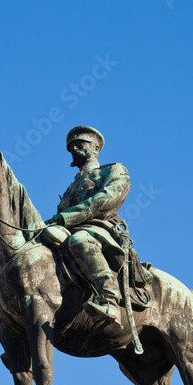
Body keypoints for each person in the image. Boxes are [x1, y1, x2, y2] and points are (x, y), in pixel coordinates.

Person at [44, 125, 130, 327]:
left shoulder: (113, 170)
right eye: (71, 147)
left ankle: (109, 300)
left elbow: (106, 199)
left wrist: (67, 217)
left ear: (95, 148)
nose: (74, 149)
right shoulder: (71, 186)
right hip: (67, 229)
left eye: (80, 144)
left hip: (98, 228)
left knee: (79, 240)